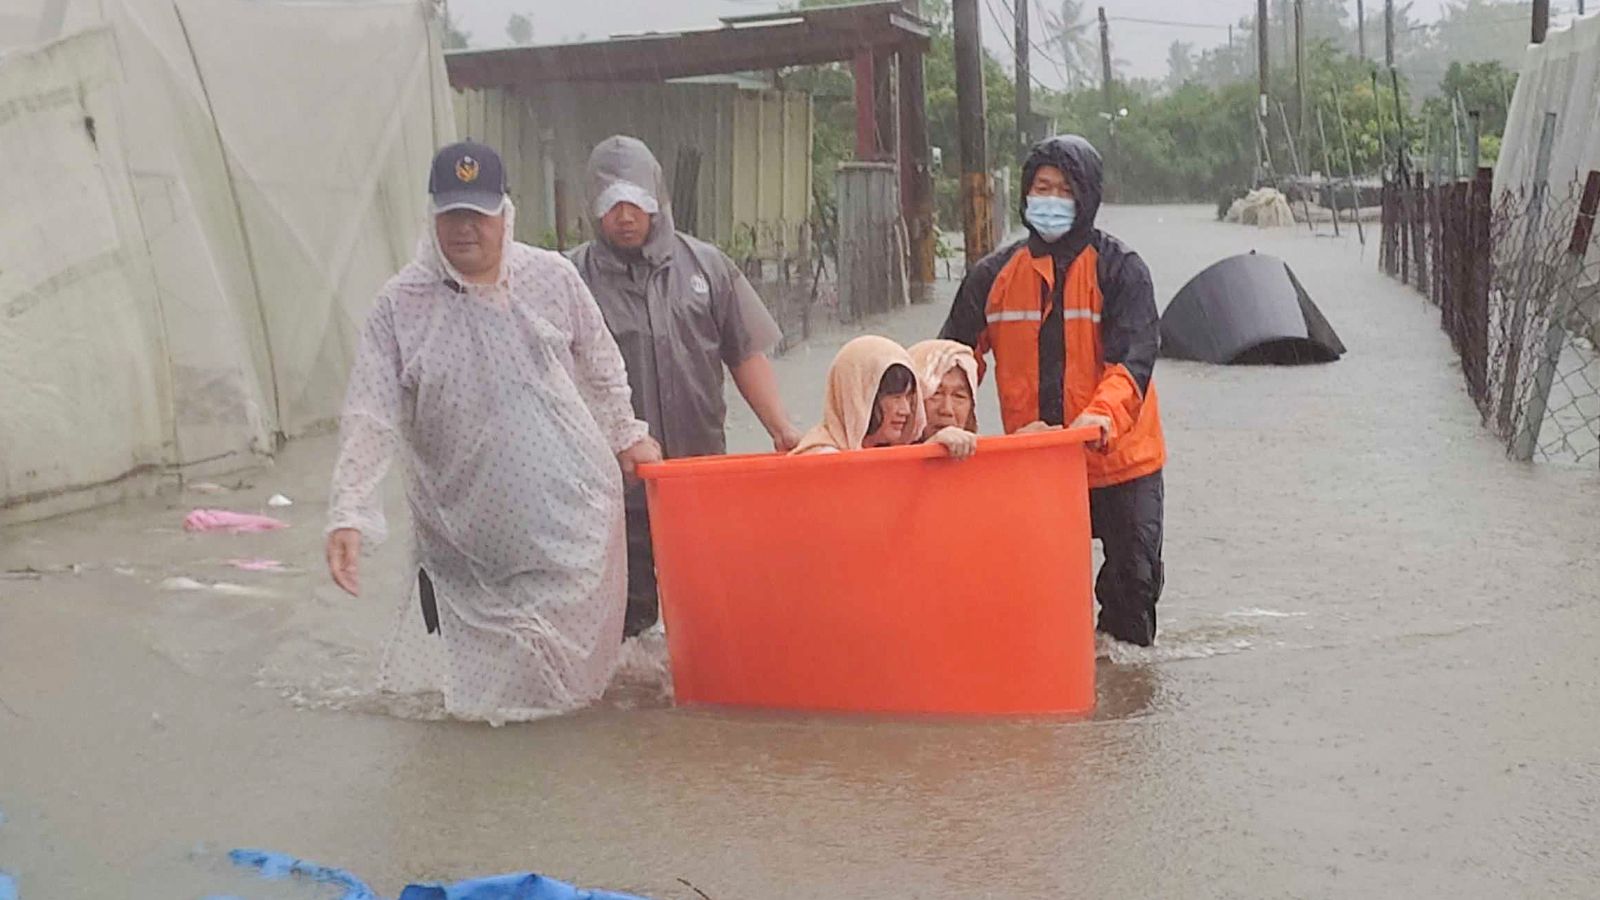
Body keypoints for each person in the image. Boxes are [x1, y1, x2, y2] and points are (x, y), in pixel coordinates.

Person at [323, 140, 662, 723]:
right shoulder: (399, 306)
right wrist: (349, 510)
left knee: (566, 699)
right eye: (451, 215)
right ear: (432, 218)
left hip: (569, 527)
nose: (464, 230)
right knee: (482, 710)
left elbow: (602, 364)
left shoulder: (551, 278)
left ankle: (553, 794)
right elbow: (369, 413)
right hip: (464, 542)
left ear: (505, 215)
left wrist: (627, 433)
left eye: (477, 215)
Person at [938, 134, 1167, 647]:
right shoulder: (991, 276)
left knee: (1133, 595)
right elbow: (951, 364)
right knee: (1034, 596)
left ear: (1087, 197)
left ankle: (1121, 705)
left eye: (1065, 189)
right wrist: (938, 422)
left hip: (1120, 462)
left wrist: (1098, 417)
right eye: (1042, 187)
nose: (1051, 199)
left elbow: (1133, 363)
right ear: (1024, 195)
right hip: (1035, 463)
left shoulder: (1122, 270)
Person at [569, 135, 802, 637]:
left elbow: (744, 353)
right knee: (621, 631)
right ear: (593, 208)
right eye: (611, 205)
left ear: (657, 198)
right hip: (610, 493)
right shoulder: (568, 279)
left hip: (699, 482)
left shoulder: (707, 266)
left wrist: (781, 427)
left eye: (636, 202)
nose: (625, 216)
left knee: (707, 616)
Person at [791, 335, 975, 457]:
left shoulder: (887, 450)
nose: (905, 410)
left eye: (909, 397)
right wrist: (927, 455)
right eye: (894, 397)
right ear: (859, 396)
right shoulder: (820, 457)